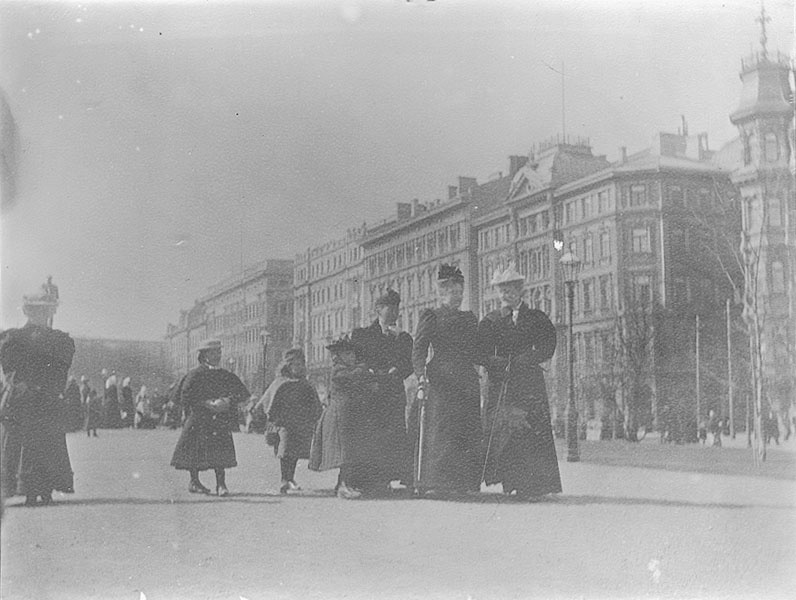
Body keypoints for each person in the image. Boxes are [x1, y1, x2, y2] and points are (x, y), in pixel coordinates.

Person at [478, 264, 561, 500]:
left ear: (520, 290)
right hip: (502, 383)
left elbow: (548, 344)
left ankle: (532, 482)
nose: (507, 294)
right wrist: (496, 362)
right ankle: (509, 480)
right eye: (502, 290)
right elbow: (481, 351)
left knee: (530, 430)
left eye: (511, 289)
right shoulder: (491, 321)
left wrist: (531, 358)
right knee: (506, 431)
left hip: (528, 383)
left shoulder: (536, 318)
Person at [411, 264, 483, 496]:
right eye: (453, 292)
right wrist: (421, 376)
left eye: (460, 292)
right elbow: (419, 348)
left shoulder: (469, 318)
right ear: (442, 293)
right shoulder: (432, 316)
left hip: (466, 379)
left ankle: (464, 482)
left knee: (466, 429)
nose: (458, 297)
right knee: (442, 430)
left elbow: (478, 349)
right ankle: (436, 482)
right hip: (442, 378)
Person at [0, 290, 75, 506]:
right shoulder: (20, 338)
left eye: (44, 311)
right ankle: (36, 489)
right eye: (38, 311)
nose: (41, 314)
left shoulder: (18, 338)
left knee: (37, 442)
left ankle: (37, 488)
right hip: (33, 397)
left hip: (33, 398)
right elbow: (11, 370)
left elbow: (59, 371)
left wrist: (45, 387)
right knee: (36, 441)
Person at [350, 288, 414, 494]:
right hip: (372, 393)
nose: (395, 312)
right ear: (378, 309)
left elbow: (409, 363)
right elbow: (357, 361)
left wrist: (398, 369)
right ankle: (370, 480)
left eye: (397, 308)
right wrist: (373, 374)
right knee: (372, 436)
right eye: (390, 308)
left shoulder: (403, 338)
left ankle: (387, 479)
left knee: (393, 437)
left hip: (393, 394)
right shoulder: (362, 334)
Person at [170, 339, 250, 496]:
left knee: (219, 452)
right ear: (204, 355)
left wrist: (227, 401)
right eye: (213, 352)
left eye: (218, 352)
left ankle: (221, 484)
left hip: (219, 419)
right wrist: (205, 403)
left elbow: (242, 393)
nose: (217, 355)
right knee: (195, 451)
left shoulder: (225, 375)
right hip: (199, 418)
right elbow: (184, 396)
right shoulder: (195, 374)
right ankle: (194, 481)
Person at [309, 335, 376, 500]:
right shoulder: (339, 370)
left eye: (352, 353)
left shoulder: (347, 369)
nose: (352, 356)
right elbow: (355, 376)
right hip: (340, 417)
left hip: (348, 415)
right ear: (340, 356)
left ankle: (342, 484)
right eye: (348, 354)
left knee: (350, 451)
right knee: (345, 452)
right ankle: (344, 486)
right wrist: (366, 369)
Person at [254, 349, 321, 494]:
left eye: (301, 364)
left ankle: (290, 478)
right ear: (288, 366)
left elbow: (314, 403)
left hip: (301, 422)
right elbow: (267, 400)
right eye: (295, 365)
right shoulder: (280, 382)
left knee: (295, 452)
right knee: (285, 451)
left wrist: (314, 416)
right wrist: (267, 416)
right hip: (283, 423)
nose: (299, 367)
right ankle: (284, 479)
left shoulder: (305, 383)